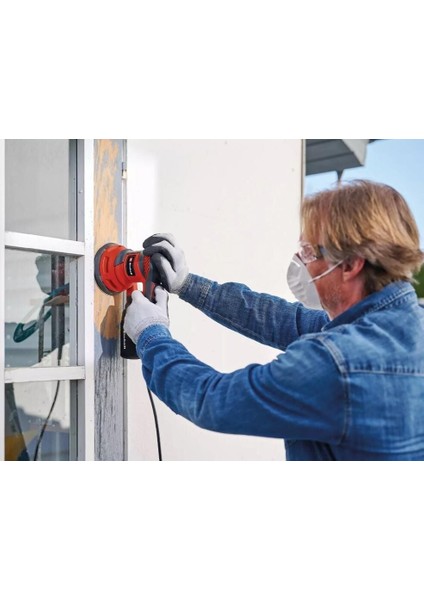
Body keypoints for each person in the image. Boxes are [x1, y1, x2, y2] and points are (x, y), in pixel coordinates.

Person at [124, 179, 424, 460]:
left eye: (309, 251)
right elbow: (284, 320)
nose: (301, 262)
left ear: (350, 265)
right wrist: (188, 284)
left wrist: (151, 334)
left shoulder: (338, 363)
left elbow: (211, 400)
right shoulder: (397, 327)